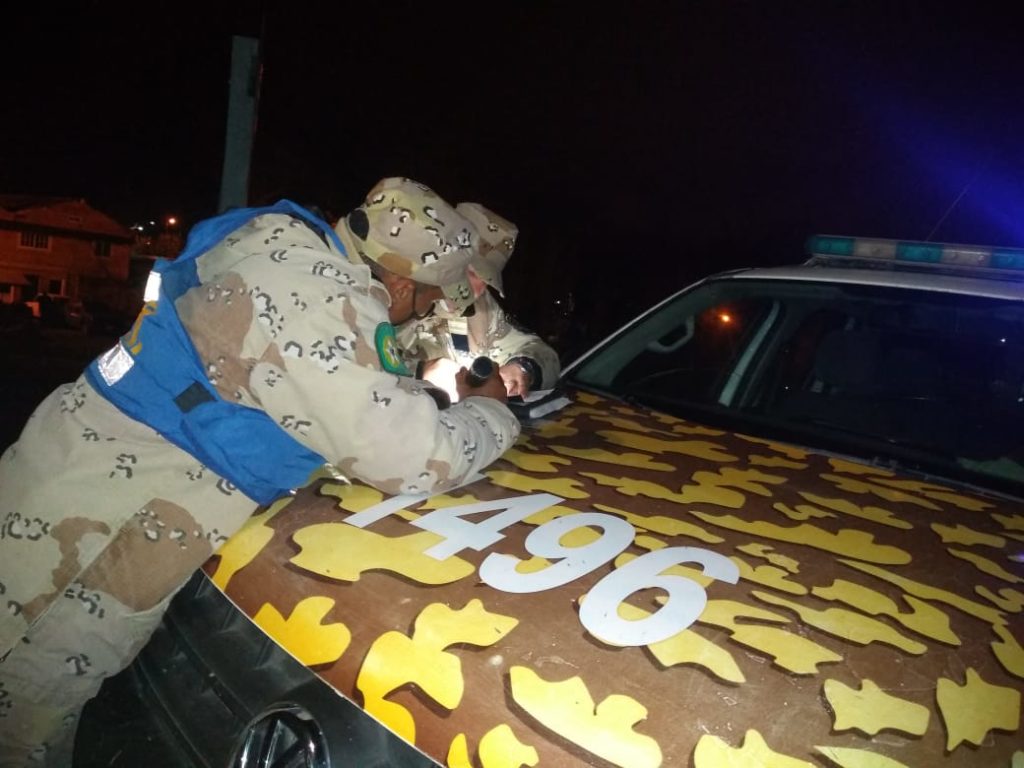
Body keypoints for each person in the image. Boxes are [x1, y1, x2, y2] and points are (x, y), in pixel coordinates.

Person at [0, 177, 518, 766]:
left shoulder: (284, 243)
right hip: (99, 528)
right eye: (426, 300)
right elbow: (411, 458)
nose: (423, 313)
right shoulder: (317, 299)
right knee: (27, 709)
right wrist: (492, 412)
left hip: (86, 471)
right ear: (401, 283)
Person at [394, 202, 561, 400]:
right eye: (472, 273)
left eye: (487, 280)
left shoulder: (482, 307)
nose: (478, 289)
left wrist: (523, 368)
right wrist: (420, 372)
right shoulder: (394, 293)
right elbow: (363, 366)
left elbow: (543, 354)